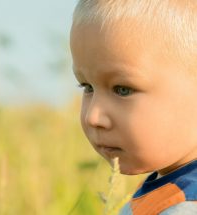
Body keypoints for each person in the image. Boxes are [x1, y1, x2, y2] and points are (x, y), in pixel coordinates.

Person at [70, 0, 197, 214]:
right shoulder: (167, 189)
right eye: (87, 86)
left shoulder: (184, 207)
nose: (93, 116)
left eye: (123, 89)